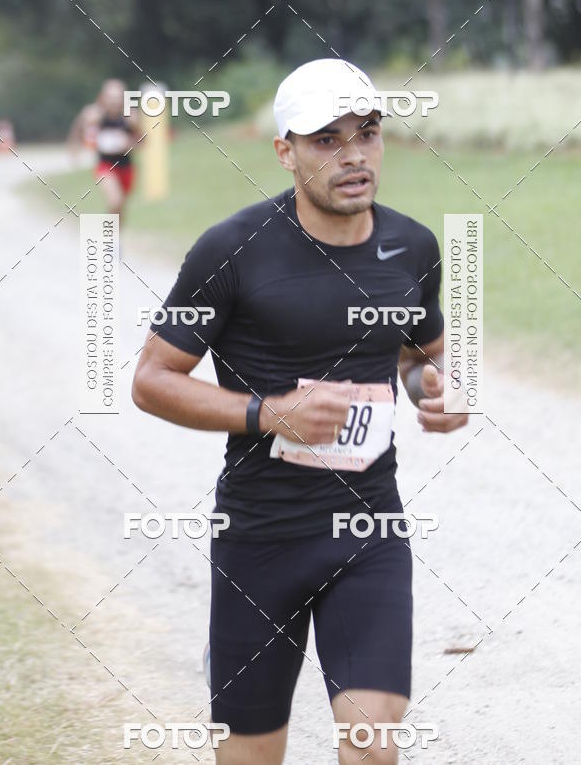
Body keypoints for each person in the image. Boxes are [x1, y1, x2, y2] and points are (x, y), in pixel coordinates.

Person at [132, 59, 468, 765]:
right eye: (325, 139)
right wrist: (269, 413)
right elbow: (152, 380)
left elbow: (421, 353)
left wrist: (435, 389)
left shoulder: (411, 247)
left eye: (367, 133)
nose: (352, 154)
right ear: (284, 151)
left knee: (373, 741)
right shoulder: (231, 252)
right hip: (260, 537)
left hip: (370, 529)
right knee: (252, 755)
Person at [68, 79, 140, 221]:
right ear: (103, 97)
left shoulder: (131, 117)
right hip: (105, 165)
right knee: (115, 200)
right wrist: (74, 151)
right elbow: (77, 129)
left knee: (120, 207)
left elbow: (143, 140)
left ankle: (115, 239)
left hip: (126, 166)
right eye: (111, 97)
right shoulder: (94, 114)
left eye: (118, 97)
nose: (115, 102)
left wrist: (128, 143)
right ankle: (107, 237)